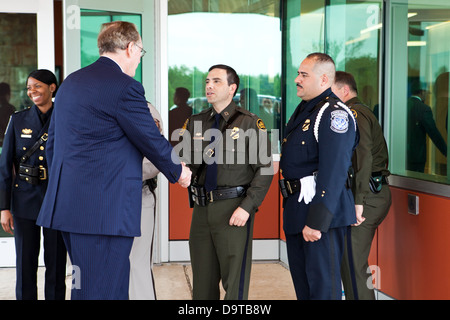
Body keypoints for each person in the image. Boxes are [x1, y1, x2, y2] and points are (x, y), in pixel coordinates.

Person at [36, 21, 191, 300]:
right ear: (130, 47)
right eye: (140, 52)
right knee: (106, 290)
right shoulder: (124, 87)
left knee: (84, 286)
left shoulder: (72, 82)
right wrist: (179, 170)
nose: (138, 61)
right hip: (104, 212)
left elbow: (53, 145)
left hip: (69, 208)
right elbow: (150, 139)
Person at [179, 64, 273, 300]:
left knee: (235, 284)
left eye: (217, 81)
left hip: (233, 210)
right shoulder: (195, 122)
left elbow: (265, 169)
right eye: (208, 81)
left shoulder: (250, 123)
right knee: (202, 282)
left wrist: (247, 207)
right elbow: (185, 161)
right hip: (201, 210)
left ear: (232, 88)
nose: (209, 86)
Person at [279, 53, 358, 300]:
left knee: (324, 291)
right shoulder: (306, 109)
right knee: (305, 290)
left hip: (320, 217)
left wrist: (317, 221)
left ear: (324, 78)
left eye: (304, 75)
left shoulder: (333, 113)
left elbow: (334, 171)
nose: (296, 79)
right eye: (298, 74)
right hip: (297, 210)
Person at [0, 70, 67, 300]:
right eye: (29, 87)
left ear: (52, 88)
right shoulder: (18, 120)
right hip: (25, 201)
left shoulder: (66, 118)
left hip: (56, 199)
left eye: (37, 86)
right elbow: (5, 166)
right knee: (25, 264)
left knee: (56, 265)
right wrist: (4, 208)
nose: (32, 91)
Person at [332, 71, 391, 300]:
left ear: (344, 90)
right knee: (352, 261)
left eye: (332, 92)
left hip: (367, 195)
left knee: (353, 262)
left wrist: (359, 201)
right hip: (367, 193)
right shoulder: (356, 112)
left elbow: (363, 157)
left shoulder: (354, 114)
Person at [129, 102, 163, 300]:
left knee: (138, 263)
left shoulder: (144, 109)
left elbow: (155, 157)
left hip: (137, 193)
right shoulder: (95, 106)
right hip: (102, 199)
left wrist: (122, 172)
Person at [407, 85, 447, 172]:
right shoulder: (424, 109)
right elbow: (433, 133)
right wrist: (446, 151)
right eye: (426, 93)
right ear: (422, 92)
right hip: (417, 158)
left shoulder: (403, 106)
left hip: (401, 156)